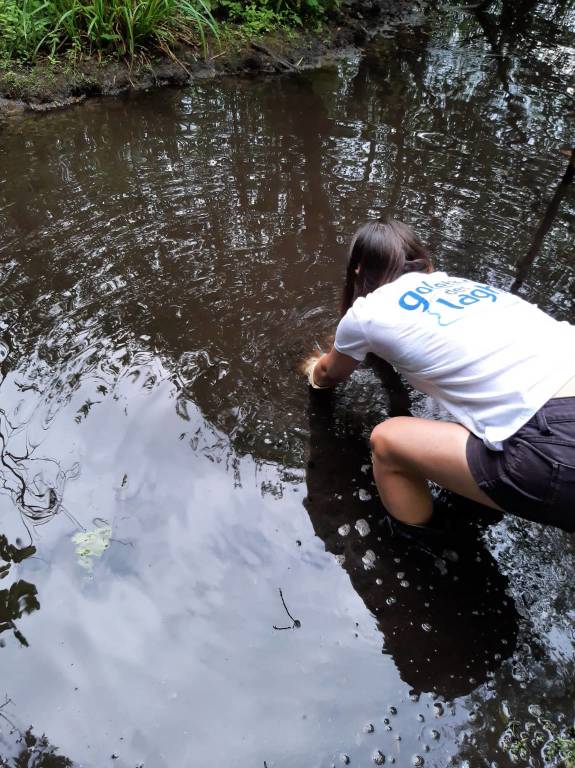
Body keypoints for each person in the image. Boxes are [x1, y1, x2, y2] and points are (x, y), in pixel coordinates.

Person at [304, 219, 575, 532]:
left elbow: (328, 374)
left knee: (386, 441)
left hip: (553, 448)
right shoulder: (464, 286)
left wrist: (312, 367)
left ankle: (423, 544)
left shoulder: (366, 313)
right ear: (424, 261)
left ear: (358, 271)